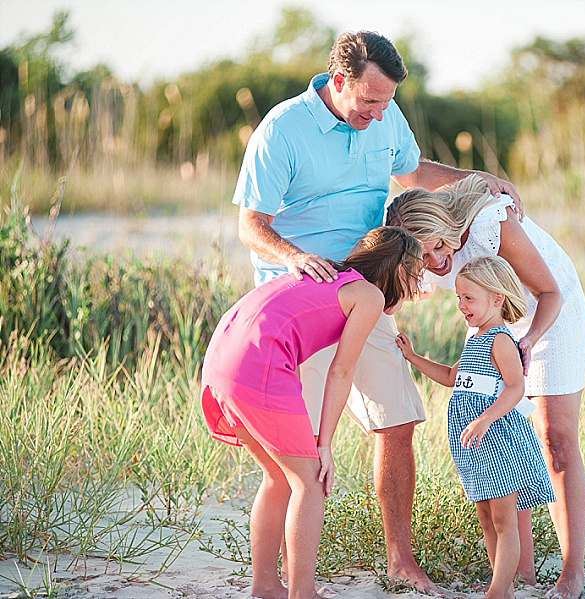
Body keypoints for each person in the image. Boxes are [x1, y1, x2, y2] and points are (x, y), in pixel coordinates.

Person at [232, 30, 521, 591]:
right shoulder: (282, 129)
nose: (378, 112)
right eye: (368, 100)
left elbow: (413, 172)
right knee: (302, 455)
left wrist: (475, 180)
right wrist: (294, 257)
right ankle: (280, 583)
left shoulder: (385, 118)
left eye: (387, 101)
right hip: (301, 302)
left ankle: (399, 559)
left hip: (370, 294)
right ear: (337, 81)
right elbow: (250, 223)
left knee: (398, 419)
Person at [386, 174, 585, 599]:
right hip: (486, 320)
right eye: (424, 258)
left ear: (447, 225)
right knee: (499, 449)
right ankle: (519, 576)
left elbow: (549, 291)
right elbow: (408, 169)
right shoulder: (420, 255)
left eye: (441, 247)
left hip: (548, 314)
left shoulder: (487, 225)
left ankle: (572, 574)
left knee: (555, 437)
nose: (438, 263)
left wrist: (527, 342)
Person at [200, 227, 423, 599]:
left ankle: (266, 587)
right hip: (259, 367)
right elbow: (341, 371)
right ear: (399, 271)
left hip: (220, 365)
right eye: (416, 276)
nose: (418, 288)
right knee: (311, 481)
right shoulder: (367, 295)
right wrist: (325, 444)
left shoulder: (327, 274)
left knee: (279, 477)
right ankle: (303, 593)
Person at [396, 255, 555, 599]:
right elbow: (453, 377)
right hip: (475, 446)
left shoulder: (500, 338)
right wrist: (413, 358)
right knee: (486, 519)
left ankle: (499, 590)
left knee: (504, 520)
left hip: (498, 442)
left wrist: (483, 420)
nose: (461, 305)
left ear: (497, 298)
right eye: (458, 297)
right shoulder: (476, 337)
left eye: (469, 298)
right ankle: (503, 586)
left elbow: (515, 387)